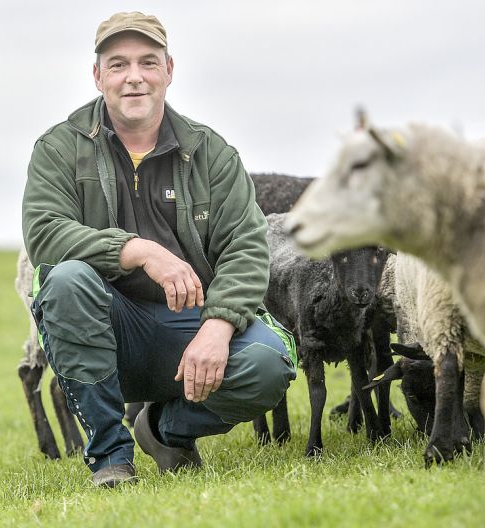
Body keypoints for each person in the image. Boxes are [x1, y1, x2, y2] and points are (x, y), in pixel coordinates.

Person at [21, 11, 296, 487]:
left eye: (148, 63)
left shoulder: (212, 152)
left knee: (269, 364)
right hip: (104, 325)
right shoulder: (59, 148)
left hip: (190, 323)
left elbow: (247, 247)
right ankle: (111, 456)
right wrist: (139, 250)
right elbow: (45, 233)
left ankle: (165, 427)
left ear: (169, 71)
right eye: (118, 64)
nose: (134, 78)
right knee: (65, 280)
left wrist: (219, 324)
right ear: (97, 75)